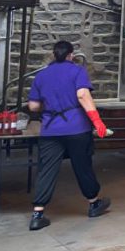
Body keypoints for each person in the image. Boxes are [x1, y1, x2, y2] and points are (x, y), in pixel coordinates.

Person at [27, 40, 111, 231]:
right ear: (70, 55)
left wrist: (48, 105)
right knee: (82, 166)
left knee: (47, 169)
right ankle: (93, 203)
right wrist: (97, 121)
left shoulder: (42, 75)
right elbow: (83, 95)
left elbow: (33, 106)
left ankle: (38, 213)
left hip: (50, 129)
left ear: (53, 55)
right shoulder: (77, 71)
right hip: (76, 127)